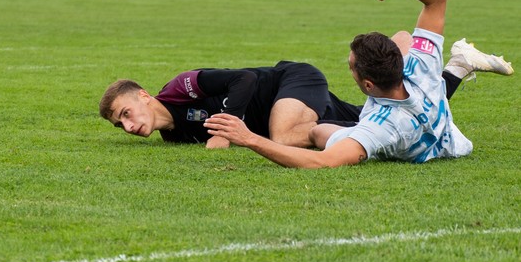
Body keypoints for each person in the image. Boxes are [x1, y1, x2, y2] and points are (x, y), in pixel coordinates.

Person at [204, 0, 513, 167]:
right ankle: (457, 67)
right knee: (404, 37)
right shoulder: (421, 66)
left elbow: (322, 163)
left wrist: (250, 139)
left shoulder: (379, 128)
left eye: (351, 67)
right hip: (448, 134)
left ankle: (459, 67)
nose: (349, 67)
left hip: (417, 140)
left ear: (367, 84)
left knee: (317, 131)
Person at [100, 62, 363, 148]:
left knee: (282, 138)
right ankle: (379, 123)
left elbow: (245, 78)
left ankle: (380, 133)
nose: (128, 126)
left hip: (289, 81)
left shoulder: (181, 88)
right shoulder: (174, 136)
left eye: (126, 113)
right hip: (285, 111)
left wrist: (224, 130)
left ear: (144, 96)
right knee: (364, 116)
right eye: (120, 124)